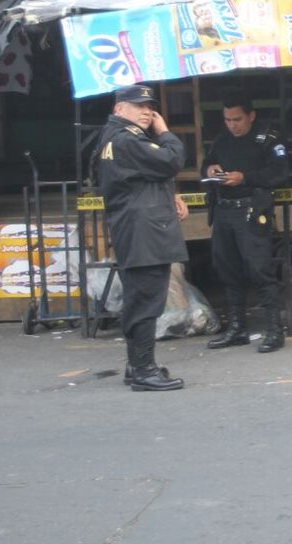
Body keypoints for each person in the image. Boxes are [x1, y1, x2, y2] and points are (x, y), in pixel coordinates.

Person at [92, 84, 187, 392]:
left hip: (136, 228)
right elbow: (172, 160)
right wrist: (165, 131)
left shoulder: (115, 139)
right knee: (147, 300)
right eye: (139, 106)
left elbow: (149, 175)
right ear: (120, 109)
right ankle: (144, 369)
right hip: (144, 231)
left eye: (150, 107)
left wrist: (171, 194)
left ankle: (138, 365)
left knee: (140, 298)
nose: (147, 112)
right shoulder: (126, 140)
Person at [203, 91, 288, 353]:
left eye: (237, 119)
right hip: (224, 211)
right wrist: (210, 169)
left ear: (251, 116)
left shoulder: (268, 138)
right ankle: (237, 328)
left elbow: (279, 172)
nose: (232, 125)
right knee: (227, 269)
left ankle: (274, 330)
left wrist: (245, 178)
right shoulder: (222, 139)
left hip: (251, 208)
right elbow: (206, 163)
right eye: (227, 119)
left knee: (259, 268)